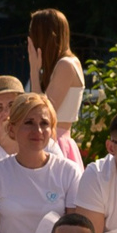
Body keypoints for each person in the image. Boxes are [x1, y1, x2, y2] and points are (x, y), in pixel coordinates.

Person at [0, 93, 81, 233]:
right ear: (12, 129)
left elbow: (74, 230)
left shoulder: (68, 171)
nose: (37, 131)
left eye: (44, 124)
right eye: (28, 123)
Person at [27, 9, 88, 157]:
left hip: (55, 144)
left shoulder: (65, 65)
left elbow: (42, 112)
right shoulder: (63, 64)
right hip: (54, 141)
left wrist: (34, 71)